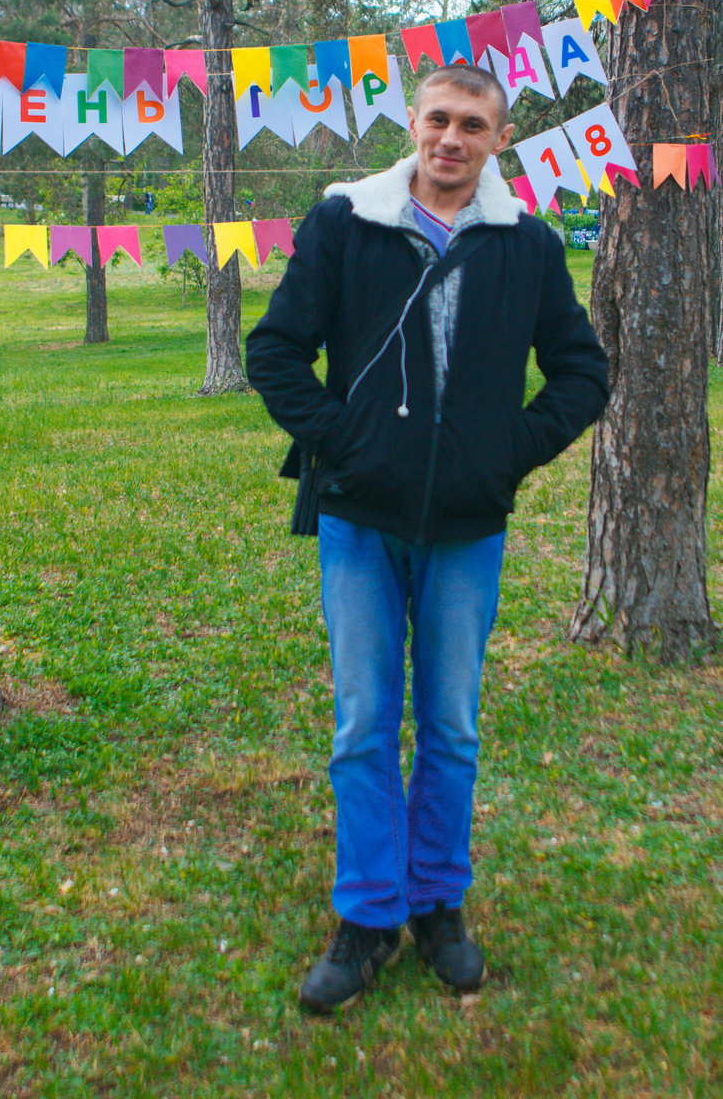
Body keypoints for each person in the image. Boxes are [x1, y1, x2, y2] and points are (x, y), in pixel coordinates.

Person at [245, 65, 609, 1014]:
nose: (452, 138)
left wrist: (505, 454)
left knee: (449, 726)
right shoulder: (346, 222)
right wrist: (346, 443)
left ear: (499, 138)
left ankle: (438, 906)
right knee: (363, 724)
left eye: (473, 125)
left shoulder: (525, 243)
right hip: (359, 518)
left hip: (465, 528)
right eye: (438, 119)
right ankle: (367, 917)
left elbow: (580, 372)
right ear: (412, 123)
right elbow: (274, 350)